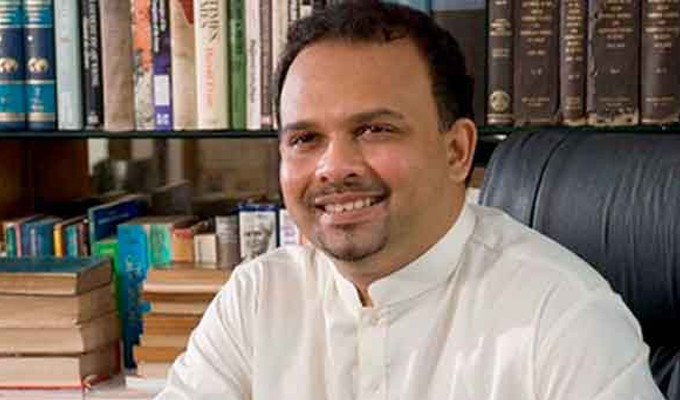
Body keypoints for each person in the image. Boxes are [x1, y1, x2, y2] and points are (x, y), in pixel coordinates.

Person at [155, 2, 664, 399]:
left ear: (457, 151)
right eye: (305, 139)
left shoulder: (564, 315)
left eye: (375, 129)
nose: (334, 167)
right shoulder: (258, 297)